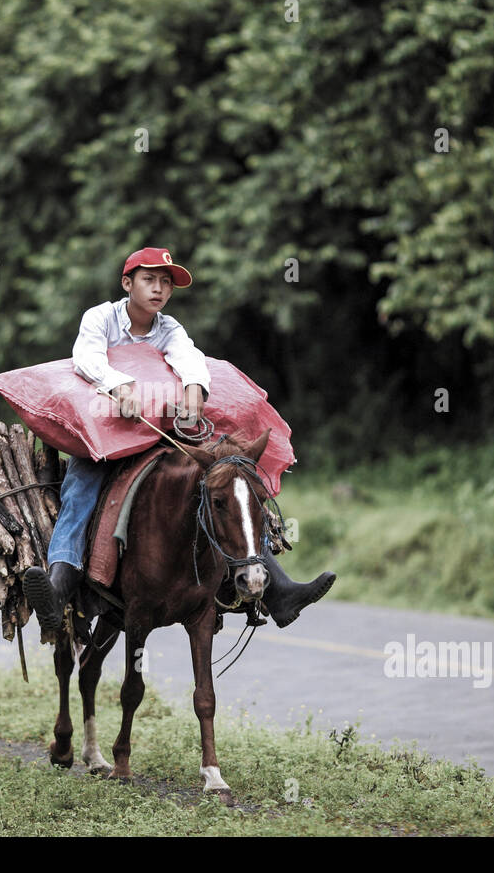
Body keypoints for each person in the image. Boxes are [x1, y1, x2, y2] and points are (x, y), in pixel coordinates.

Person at [23, 246, 336, 637]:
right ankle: (60, 586)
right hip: (106, 436)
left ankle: (278, 589)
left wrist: (193, 388)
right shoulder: (100, 318)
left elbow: (188, 357)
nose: (159, 289)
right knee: (80, 489)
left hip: (156, 435)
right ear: (127, 283)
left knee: (232, 476)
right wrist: (118, 385)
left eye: (166, 283)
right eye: (149, 280)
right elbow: (86, 358)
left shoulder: (169, 328)